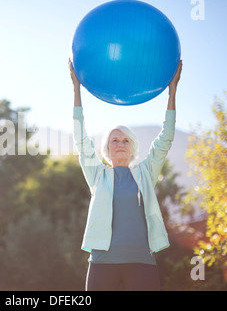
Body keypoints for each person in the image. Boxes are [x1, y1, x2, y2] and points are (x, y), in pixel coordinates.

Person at [69, 58, 182, 291]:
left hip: (141, 260)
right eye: (114, 140)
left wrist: (172, 91)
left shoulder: (145, 173)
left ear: (132, 148)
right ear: (107, 148)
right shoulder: (97, 174)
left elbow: (165, 138)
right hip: (102, 261)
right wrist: (76, 89)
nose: (120, 144)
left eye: (125, 140)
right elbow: (80, 139)